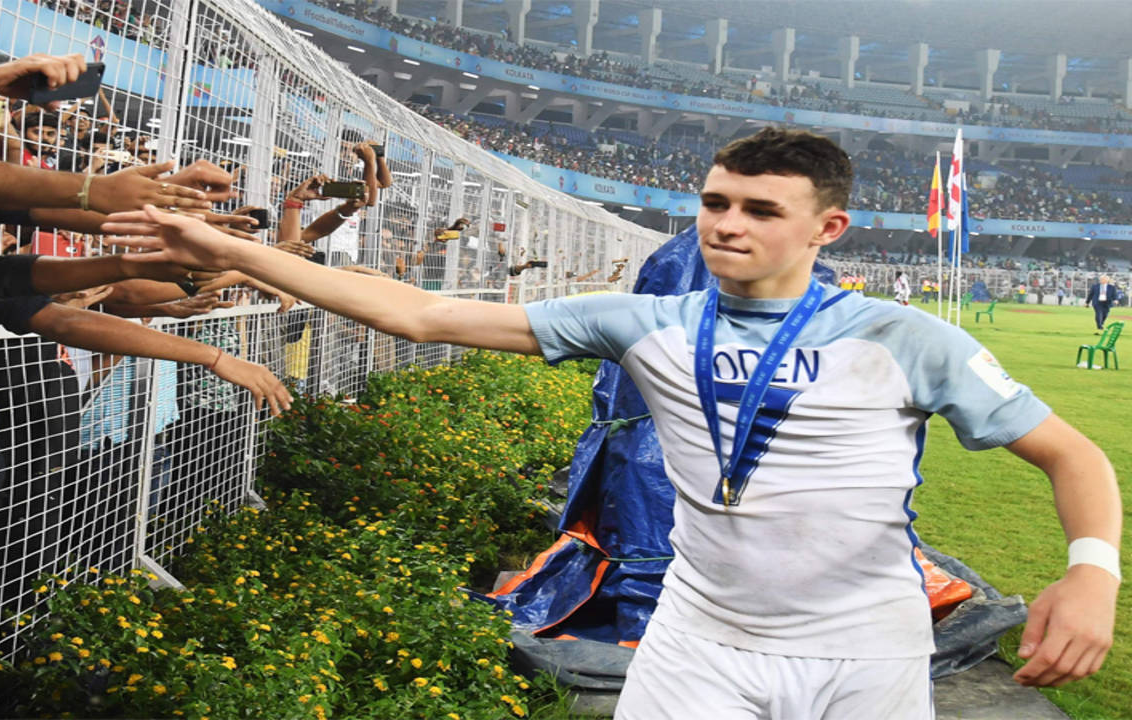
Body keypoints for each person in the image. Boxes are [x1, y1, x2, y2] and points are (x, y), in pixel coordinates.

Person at [103, 127, 1120, 718]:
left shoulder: (904, 338)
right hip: (696, 641)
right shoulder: (645, 323)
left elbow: (1067, 453)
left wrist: (1087, 572)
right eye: (715, 201)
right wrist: (223, 249)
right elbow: (411, 309)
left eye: (760, 210)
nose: (726, 222)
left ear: (826, 228)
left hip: (864, 646)